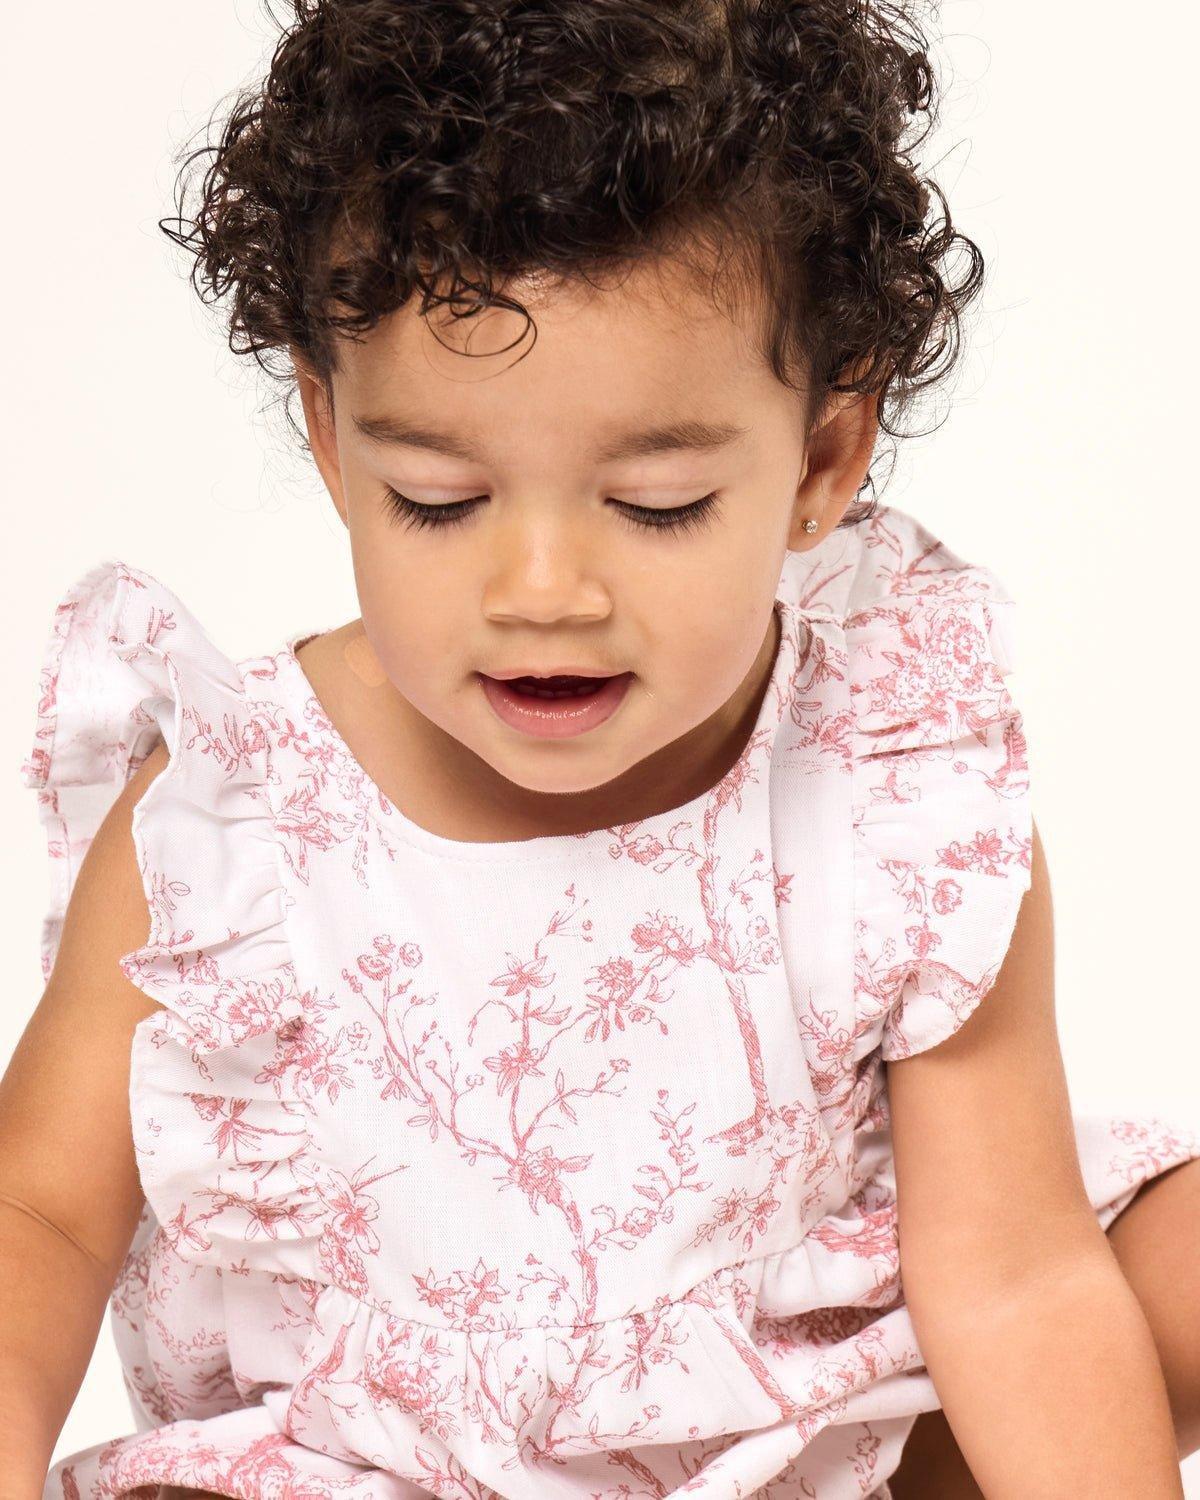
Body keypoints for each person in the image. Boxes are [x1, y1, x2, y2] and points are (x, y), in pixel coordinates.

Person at [6, 1, 1199, 1496]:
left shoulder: (893, 800)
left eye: (656, 507)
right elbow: (39, 1217)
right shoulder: (232, 830)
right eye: (440, 500)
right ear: (332, 438)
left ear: (823, 457)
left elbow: (1013, 1272)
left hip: (789, 1443)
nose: (544, 593)